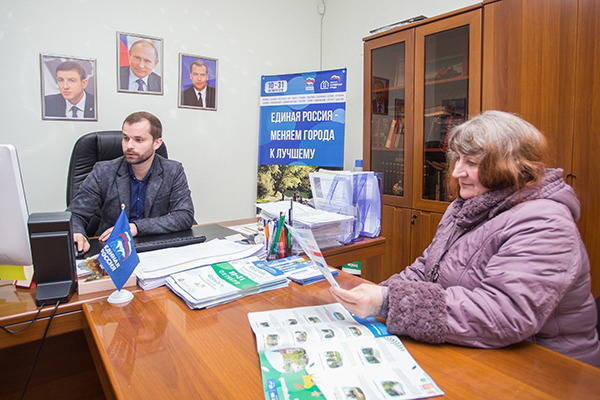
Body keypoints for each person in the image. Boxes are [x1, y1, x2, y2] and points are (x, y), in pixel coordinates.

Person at [331, 111, 600, 367]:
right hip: (481, 349)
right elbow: (425, 269)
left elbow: (504, 314)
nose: (457, 172)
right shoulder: (465, 206)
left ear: (510, 166)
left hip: (547, 369)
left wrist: (388, 301)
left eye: (471, 163)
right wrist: (374, 294)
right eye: (457, 159)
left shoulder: (545, 223)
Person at [69, 111, 194, 253]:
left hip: (155, 248)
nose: (129, 146)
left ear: (157, 143)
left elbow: (184, 215)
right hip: (113, 250)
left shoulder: (173, 170)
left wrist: (135, 227)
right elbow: (75, 214)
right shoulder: (103, 171)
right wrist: (77, 232)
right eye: (125, 138)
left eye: (139, 140)